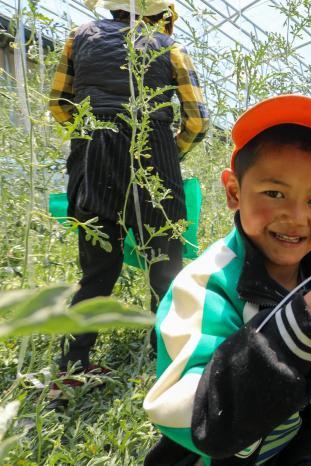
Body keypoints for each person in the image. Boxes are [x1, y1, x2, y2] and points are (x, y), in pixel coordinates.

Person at [143, 95, 311, 465]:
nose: (295, 216)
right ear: (234, 192)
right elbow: (197, 417)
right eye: (274, 193)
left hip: (293, 445)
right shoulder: (204, 287)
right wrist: (305, 324)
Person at [48, 0, 209, 389]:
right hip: (154, 158)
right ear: (159, 15)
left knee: (97, 271)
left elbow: (58, 104)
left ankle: (72, 367)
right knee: (165, 268)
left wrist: (90, 134)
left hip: (94, 157)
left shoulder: (79, 37)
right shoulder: (171, 48)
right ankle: (166, 361)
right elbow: (198, 120)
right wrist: (172, 151)